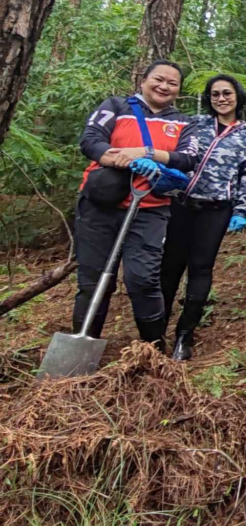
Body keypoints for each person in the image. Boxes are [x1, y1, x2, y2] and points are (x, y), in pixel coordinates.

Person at [75, 60, 199, 349]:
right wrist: (117, 158)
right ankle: (83, 346)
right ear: (143, 80)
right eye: (159, 79)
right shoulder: (116, 106)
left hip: (150, 208)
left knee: (142, 279)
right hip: (101, 205)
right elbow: (90, 140)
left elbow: (188, 158)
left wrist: (146, 154)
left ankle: (152, 348)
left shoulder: (183, 122)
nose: (164, 86)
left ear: (179, 90)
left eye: (172, 83)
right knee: (93, 280)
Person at [161, 74, 246, 360]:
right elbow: (175, 154)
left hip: (217, 209)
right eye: (215, 94)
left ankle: (185, 335)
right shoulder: (195, 124)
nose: (221, 98)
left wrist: (242, 209)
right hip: (181, 203)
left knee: (201, 268)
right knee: (169, 268)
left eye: (227, 93)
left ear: (237, 96)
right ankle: (156, 331)